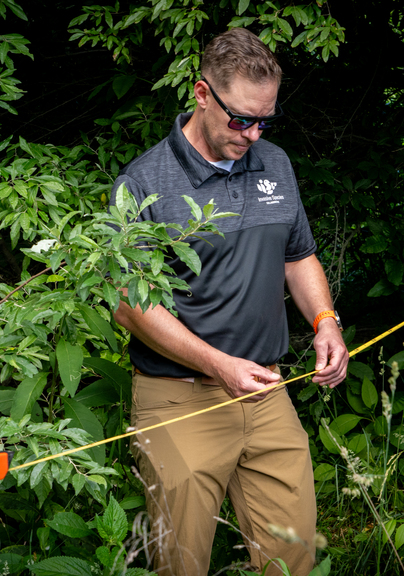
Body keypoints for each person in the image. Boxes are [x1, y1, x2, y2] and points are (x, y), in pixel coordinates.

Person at [112, 27, 348, 576]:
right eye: (240, 118)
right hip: (178, 400)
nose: (252, 133)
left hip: (268, 392)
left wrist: (326, 322)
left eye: (265, 119)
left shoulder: (277, 164)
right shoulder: (144, 182)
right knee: (182, 563)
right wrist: (218, 364)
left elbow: (298, 257)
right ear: (201, 93)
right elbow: (128, 303)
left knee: (295, 558)